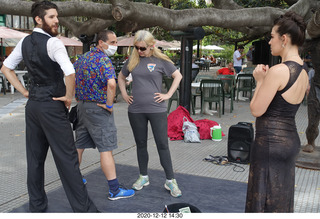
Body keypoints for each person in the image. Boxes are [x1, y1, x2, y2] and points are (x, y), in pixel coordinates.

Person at [0, 1, 98, 212]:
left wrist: (25, 92)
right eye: (52, 17)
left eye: (56, 16)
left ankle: (37, 207)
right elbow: (70, 72)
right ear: (39, 19)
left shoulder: (25, 42)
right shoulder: (54, 43)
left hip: (34, 106)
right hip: (52, 106)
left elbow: (6, 68)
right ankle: (85, 211)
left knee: (35, 158)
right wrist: (68, 97)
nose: (56, 21)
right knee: (68, 159)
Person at [245, 11, 308, 212]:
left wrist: (260, 82)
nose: (269, 42)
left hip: (270, 144)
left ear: (284, 38)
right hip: (290, 142)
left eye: (271, 37)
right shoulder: (304, 72)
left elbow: (256, 109)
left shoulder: (279, 71)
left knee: (263, 200)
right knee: (281, 198)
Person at [118, 30, 183, 197]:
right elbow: (121, 77)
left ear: (151, 46)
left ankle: (170, 180)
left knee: (162, 144)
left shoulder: (160, 60)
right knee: (140, 144)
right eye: (137, 48)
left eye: (143, 48)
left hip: (157, 109)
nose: (139, 51)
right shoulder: (132, 60)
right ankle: (143, 176)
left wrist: (168, 95)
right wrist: (124, 94)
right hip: (136, 110)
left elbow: (178, 76)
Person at [73, 30, 135, 201]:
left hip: (81, 107)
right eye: (113, 42)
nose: (115, 46)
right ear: (101, 42)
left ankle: (73, 180)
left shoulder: (82, 58)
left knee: (79, 145)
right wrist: (109, 105)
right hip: (99, 109)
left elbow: (70, 77)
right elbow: (111, 84)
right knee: (106, 149)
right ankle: (114, 190)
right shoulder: (103, 60)